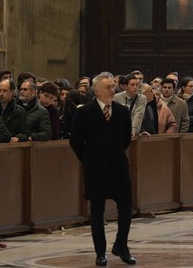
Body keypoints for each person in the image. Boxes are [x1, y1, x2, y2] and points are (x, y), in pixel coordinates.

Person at [69, 73, 136, 266]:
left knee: (125, 207)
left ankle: (121, 245)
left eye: (113, 86)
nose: (112, 90)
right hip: (96, 169)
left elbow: (125, 139)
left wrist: (114, 153)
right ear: (97, 90)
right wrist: (88, 159)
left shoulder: (122, 111)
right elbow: (76, 141)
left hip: (118, 167)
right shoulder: (84, 113)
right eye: (108, 87)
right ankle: (100, 252)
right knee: (97, 212)